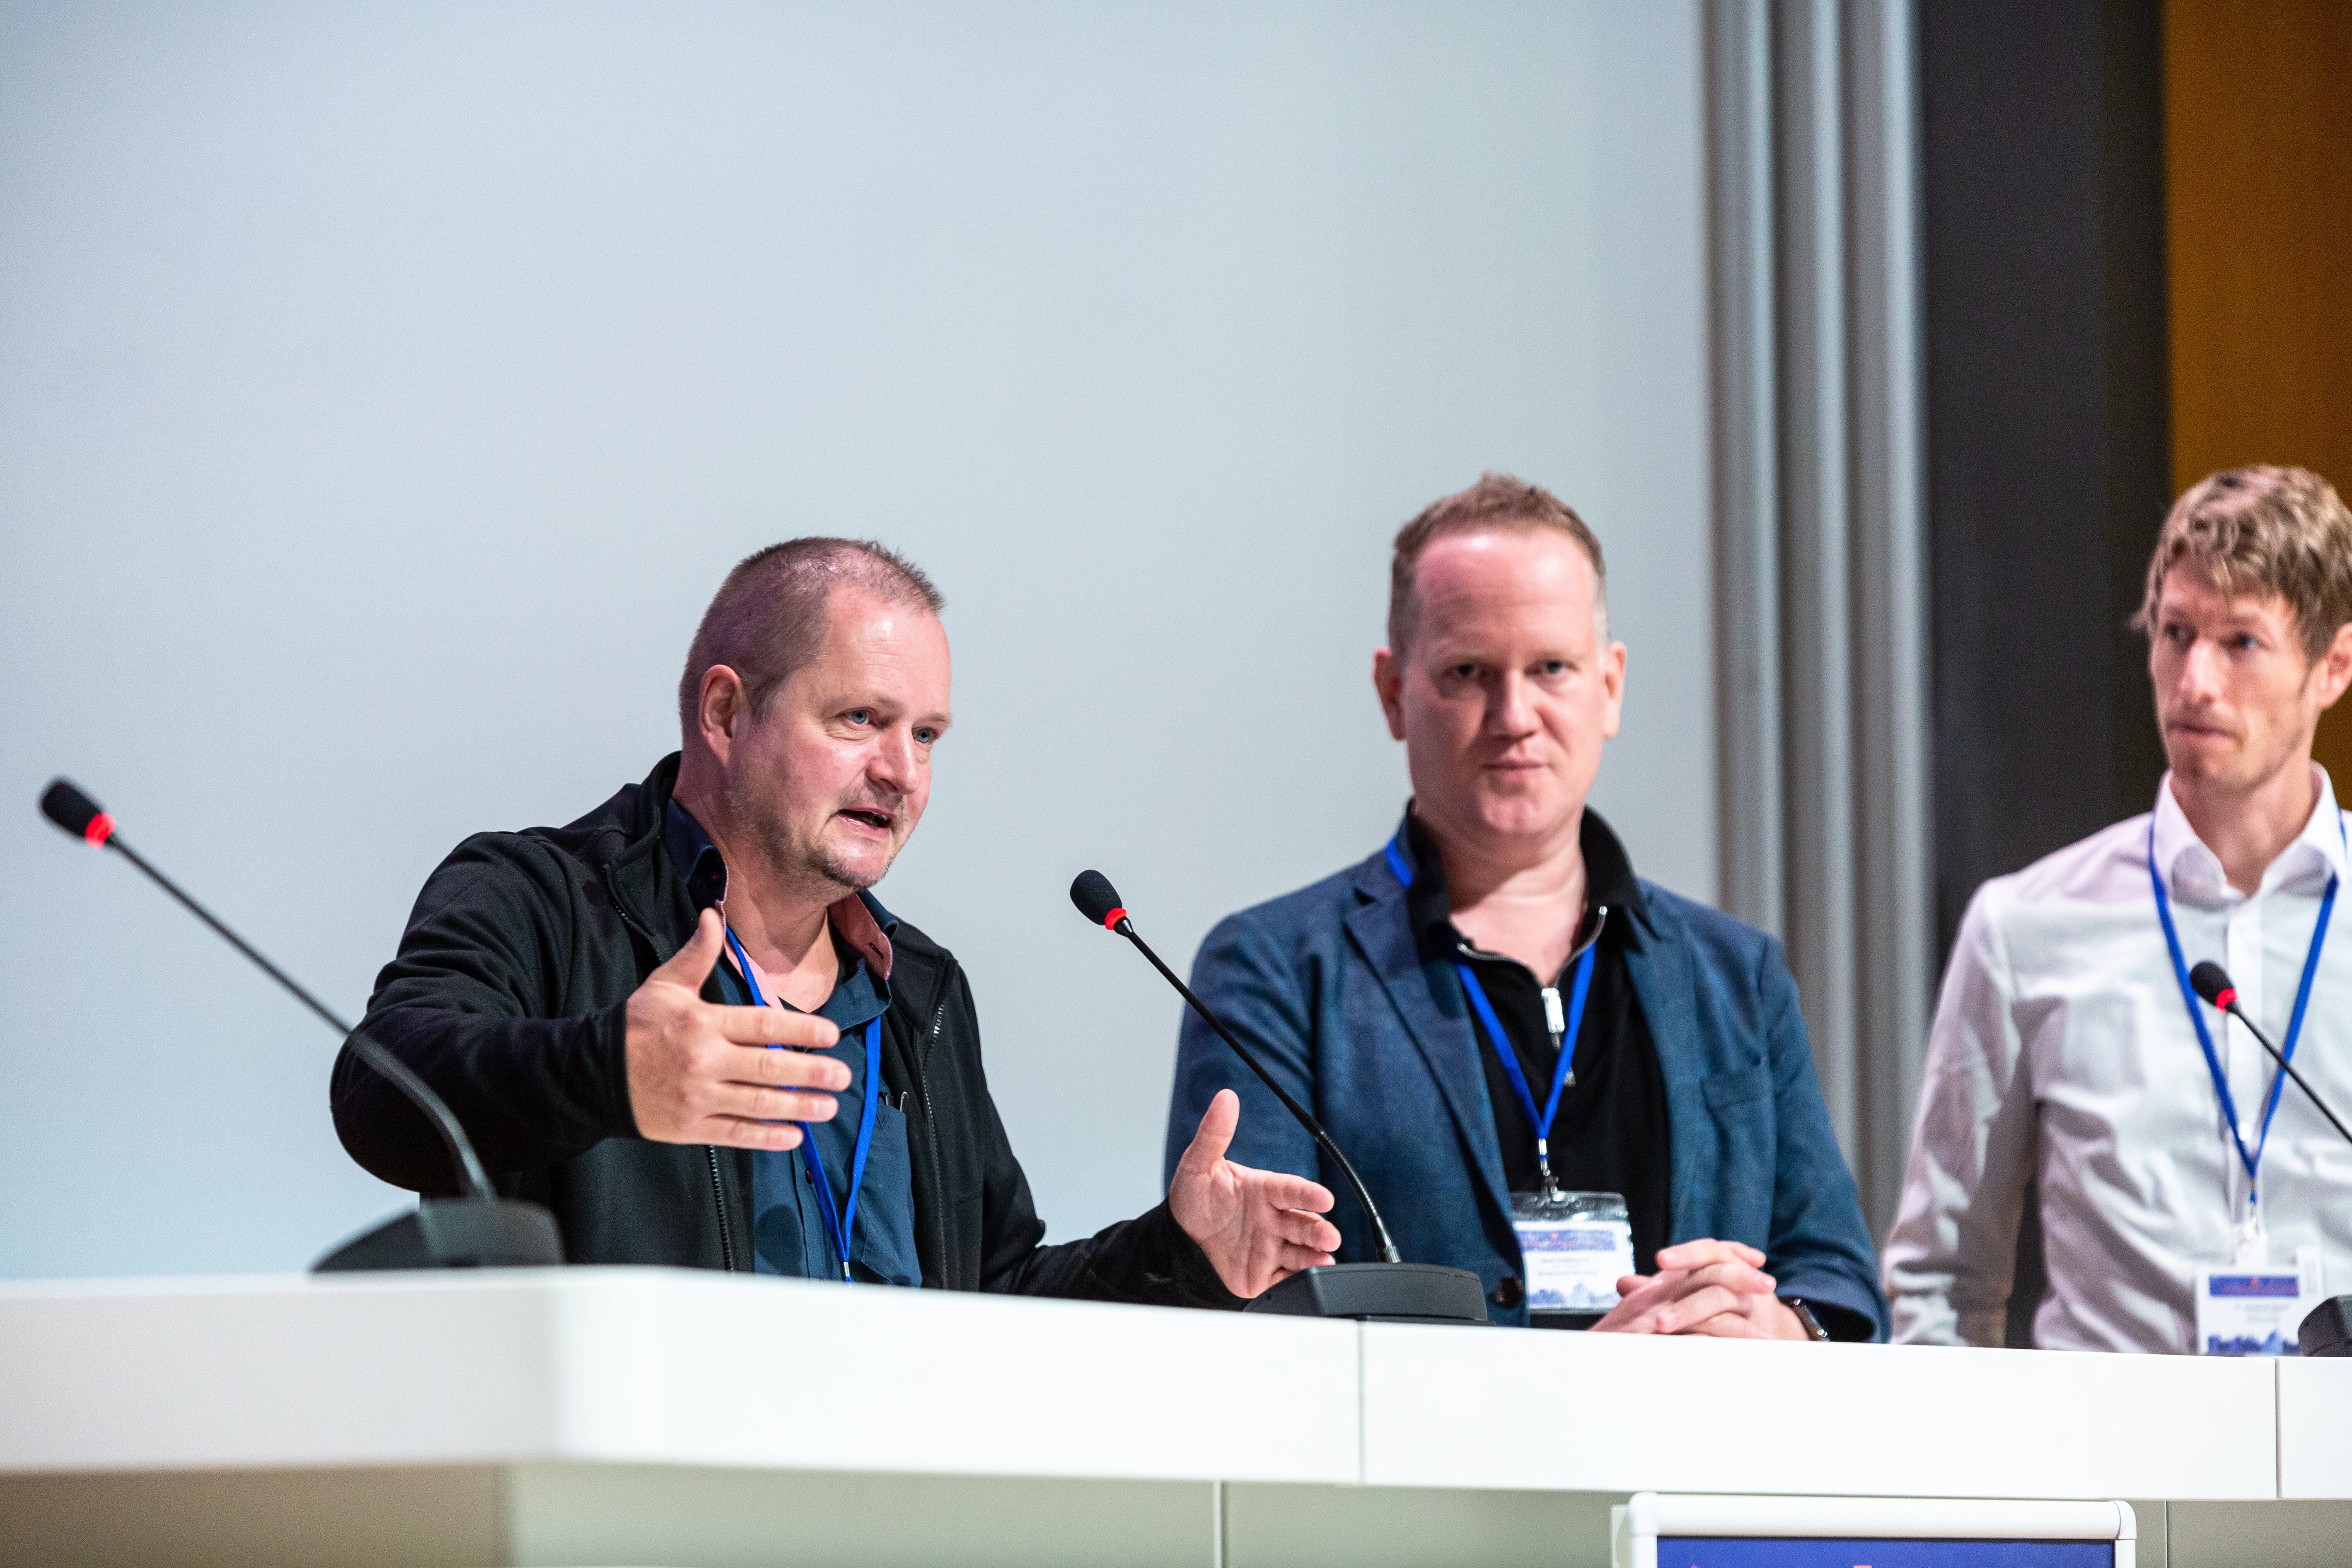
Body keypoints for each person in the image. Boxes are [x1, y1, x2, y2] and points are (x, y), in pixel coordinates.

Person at [334, 538, 1340, 1302]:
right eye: (860, 719)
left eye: (927, 735)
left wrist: (1179, 1250)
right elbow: (384, 1094)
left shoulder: (919, 989)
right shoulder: (543, 898)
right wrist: (610, 1070)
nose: (902, 772)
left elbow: (991, 1296)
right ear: (726, 715)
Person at [1163, 474, 1887, 1338]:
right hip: (1411, 1467)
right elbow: (1252, 1304)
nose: (1515, 716)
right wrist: (1553, 1391)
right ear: (1394, 692)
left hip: (1691, 1465)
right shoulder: (1276, 968)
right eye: (1468, 672)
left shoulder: (1735, 974)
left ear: (1609, 686)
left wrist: (1784, 1327)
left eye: (1551, 669)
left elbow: (1839, 1280)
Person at [1885, 466, 2352, 1353]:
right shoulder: (2024, 928)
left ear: (2332, 666)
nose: (2194, 681)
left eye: (2241, 643)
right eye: (2176, 634)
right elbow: (1941, 1280)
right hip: (2116, 1477)